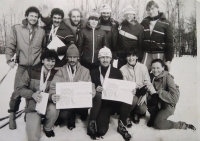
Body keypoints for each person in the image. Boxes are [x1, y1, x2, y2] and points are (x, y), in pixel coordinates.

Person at [5, 6, 46, 129]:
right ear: (27, 16)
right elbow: (10, 45)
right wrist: (9, 59)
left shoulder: (41, 31)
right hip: (22, 66)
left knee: (33, 90)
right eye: (31, 15)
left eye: (36, 16)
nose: (33, 18)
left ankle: (28, 112)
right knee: (18, 91)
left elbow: (43, 48)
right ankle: (12, 115)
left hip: (36, 67)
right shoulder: (17, 29)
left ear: (38, 18)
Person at [87, 47, 132, 141]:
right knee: (101, 131)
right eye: (102, 57)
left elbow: (122, 87)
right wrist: (95, 88)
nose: (105, 60)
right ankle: (93, 122)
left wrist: (130, 90)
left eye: (107, 57)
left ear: (111, 59)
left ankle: (122, 124)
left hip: (115, 102)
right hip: (103, 105)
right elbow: (89, 88)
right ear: (99, 58)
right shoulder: (94, 72)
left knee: (128, 95)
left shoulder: (117, 71)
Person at [48, 44, 94, 130]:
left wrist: (91, 91)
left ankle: (77, 112)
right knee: (63, 115)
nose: (72, 59)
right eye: (70, 57)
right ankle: (70, 115)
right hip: (67, 102)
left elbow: (90, 85)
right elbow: (54, 86)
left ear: (78, 58)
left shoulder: (85, 71)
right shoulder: (61, 71)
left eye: (74, 57)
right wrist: (53, 94)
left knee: (84, 110)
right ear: (67, 58)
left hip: (79, 101)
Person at [16, 50, 59, 141]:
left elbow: (55, 89)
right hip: (34, 104)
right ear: (42, 60)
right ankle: (31, 117)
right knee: (33, 138)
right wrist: (32, 94)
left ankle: (47, 127)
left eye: (53, 61)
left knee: (54, 109)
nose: (51, 64)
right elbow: (19, 88)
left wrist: (52, 96)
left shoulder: (56, 74)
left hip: (47, 102)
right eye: (48, 60)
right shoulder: (31, 71)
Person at [146, 59, 196, 130]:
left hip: (167, 105)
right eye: (153, 68)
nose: (155, 70)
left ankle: (181, 125)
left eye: (158, 68)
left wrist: (159, 92)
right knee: (149, 97)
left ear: (163, 68)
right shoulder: (151, 76)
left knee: (158, 124)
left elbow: (174, 98)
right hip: (157, 104)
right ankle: (153, 116)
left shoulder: (168, 78)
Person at [120, 48, 156, 126]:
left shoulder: (143, 67)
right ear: (126, 57)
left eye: (133, 56)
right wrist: (133, 92)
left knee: (142, 110)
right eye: (128, 56)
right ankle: (127, 115)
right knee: (134, 99)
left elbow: (147, 83)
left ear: (137, 57)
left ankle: (135, 112)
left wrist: (151, 94)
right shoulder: (123, 69)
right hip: (130, 93)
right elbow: (125, 85)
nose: (131, 58)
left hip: (141, 92)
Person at [141, 1, 174, 71]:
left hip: (159, 53)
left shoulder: (166, 23)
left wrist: (169, 59)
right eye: (148, 10)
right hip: (147, 53)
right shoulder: (144, 21)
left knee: (159, 73)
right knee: (143, 71)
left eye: (152, 9)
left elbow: (170, 42)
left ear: (157, 8)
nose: (150, 11)